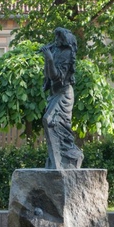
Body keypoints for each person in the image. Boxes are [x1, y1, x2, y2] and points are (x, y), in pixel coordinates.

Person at [40, 27, 84, 170]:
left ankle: (62, 161)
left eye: (59, 38)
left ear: (64, 39)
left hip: (64, 94)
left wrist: (50, 59)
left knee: (52, 121)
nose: (56, 40)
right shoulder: (56, 50)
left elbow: (56, 76)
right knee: (53, 124)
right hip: (54, 93)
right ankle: (55, 162)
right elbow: (48, 75)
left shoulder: (67, 53)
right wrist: (48, 58)